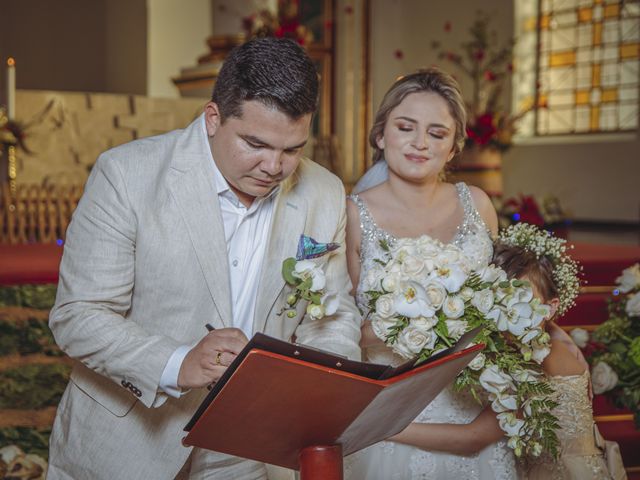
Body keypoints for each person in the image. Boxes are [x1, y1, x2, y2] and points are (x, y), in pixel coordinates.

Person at [46, 37, 361, 480]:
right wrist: (178, 363)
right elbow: (78, 316)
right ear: (212, 118)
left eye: (292, 149)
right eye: (255, 143)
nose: (274, 166)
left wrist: (316, 387)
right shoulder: (127, 176)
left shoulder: (324, 192)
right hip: (128, 440)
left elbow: (333, 315)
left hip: (251, 448)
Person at [343, 68, 516, 479]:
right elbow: (348, 328)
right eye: (406, 128)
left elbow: (503, 309)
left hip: (475, 404)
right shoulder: (353, 214)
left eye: (437, 134)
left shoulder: (478, 204)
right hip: (392, 416)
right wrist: (413, 324)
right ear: (381, 135)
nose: (420, 143)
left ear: (454, 148)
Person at [493, 224, 627, 480]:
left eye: (522, 299)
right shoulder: (544, 343)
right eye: (502, 300)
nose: (511, 311)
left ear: (550, 307)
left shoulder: (541, 356)